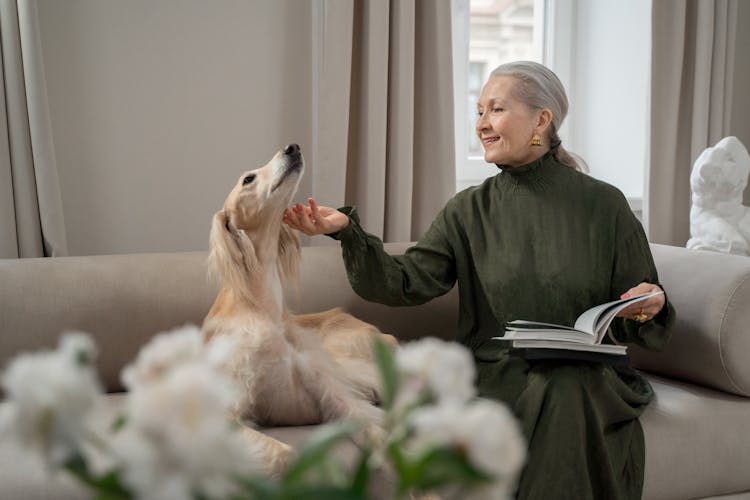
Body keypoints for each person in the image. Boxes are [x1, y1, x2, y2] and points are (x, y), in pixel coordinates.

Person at [283, 61, 674, 500]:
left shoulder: (605, 205)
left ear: (541, 120)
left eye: (496, 110)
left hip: (590, 376)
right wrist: (346, 232)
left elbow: (637, 304)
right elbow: (405, 281)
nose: (482, 124)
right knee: (557, 391)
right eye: (479, 112)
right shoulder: (468, 210)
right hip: (499, 373)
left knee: (565, 387)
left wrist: (648, 302)